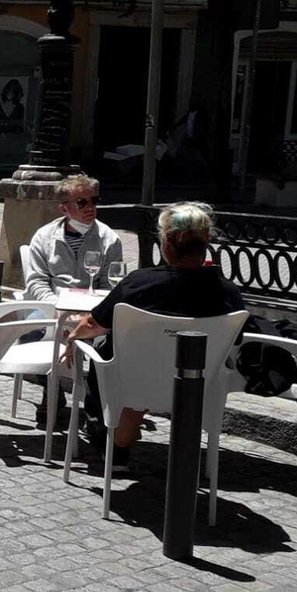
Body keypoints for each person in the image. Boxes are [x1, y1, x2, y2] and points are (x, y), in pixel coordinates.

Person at [63, 202, 246, 471]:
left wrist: (72, 338)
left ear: (167, 244)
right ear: (205, 243)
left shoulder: (139, 283)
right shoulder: (227, 292)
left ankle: (113, 445)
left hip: (137, 384)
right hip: (199, 388)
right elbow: (238, 340)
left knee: (106, 347)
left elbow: (94, 324)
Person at [22, 174, 125, 422]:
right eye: (81, 202)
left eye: (93, 200)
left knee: (109, 342)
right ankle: (52, 389)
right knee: (34, 333)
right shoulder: (44, 237)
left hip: (93, 310)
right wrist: (57, 309)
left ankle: (94, 401)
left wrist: (90, 315)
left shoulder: (109, 239)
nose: (90, 207)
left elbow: (111, 285)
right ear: (64, 208)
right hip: (53, 306)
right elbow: (36, 281)